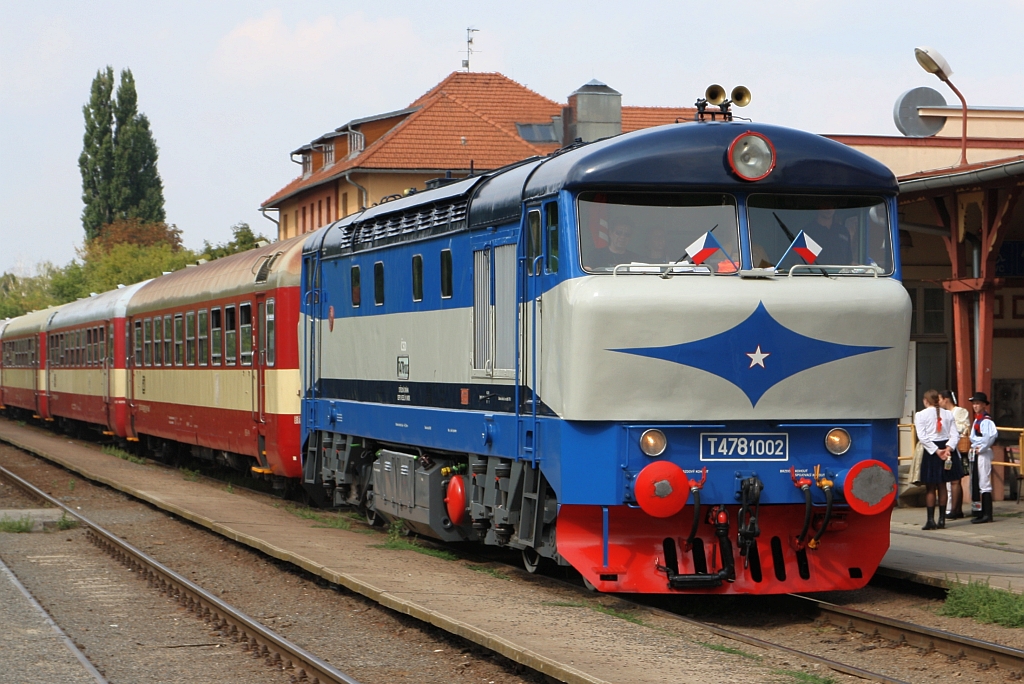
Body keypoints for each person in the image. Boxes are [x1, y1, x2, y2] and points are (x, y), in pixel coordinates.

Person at [914, 389, 962, 530]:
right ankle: (942, 519)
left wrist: (936, 451)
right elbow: (955, 435)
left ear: (925, 401)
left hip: (931, 451)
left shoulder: (921, 415)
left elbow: (922, 437)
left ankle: (930, 520)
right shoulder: (948, 414)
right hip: (946, 448)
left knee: (930, 487)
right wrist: (948, 449)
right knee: (942, 485)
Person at [968, 392, 998, 525]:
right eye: (974, 403)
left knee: (984, 482)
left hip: (982, 452)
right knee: (976, 481)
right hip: (976, 450)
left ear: (984, 405)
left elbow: (991, 436)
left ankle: (987, 513)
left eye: (978, 403)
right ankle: (978, 511)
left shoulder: (986, 420)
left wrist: (983, 448)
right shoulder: (977, 419)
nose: (975, 406)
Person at [939, 389, 969, 519]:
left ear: (946, 399)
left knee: (955, 479)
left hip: (957, 448)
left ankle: (956, 509)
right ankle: (953, 508)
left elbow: (964, 427)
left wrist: (951, 429)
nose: (939, 402)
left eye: (940, 399)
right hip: (947, 447)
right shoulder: (943, 413)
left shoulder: (959, 411)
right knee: (950, 480)